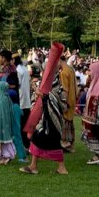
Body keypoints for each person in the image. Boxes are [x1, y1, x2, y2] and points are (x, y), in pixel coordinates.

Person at [20, 42, 68, 175]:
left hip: (52, 121)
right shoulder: (49, 83)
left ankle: (59, 167)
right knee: (39, 139)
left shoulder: (56, 84)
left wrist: (43, 95)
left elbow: (58, 100)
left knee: (50, 142)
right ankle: (35, 165)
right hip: (45, 119)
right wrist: (41, 94)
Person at [59, 56, 79, 152]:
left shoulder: (63, 73)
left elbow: (65, 90)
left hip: (67, 101)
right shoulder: (71, 70)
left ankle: (65, 144)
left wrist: (64, 103)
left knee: (65, 123)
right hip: (73, 100)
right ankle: (71, 145)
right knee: (70, 123)